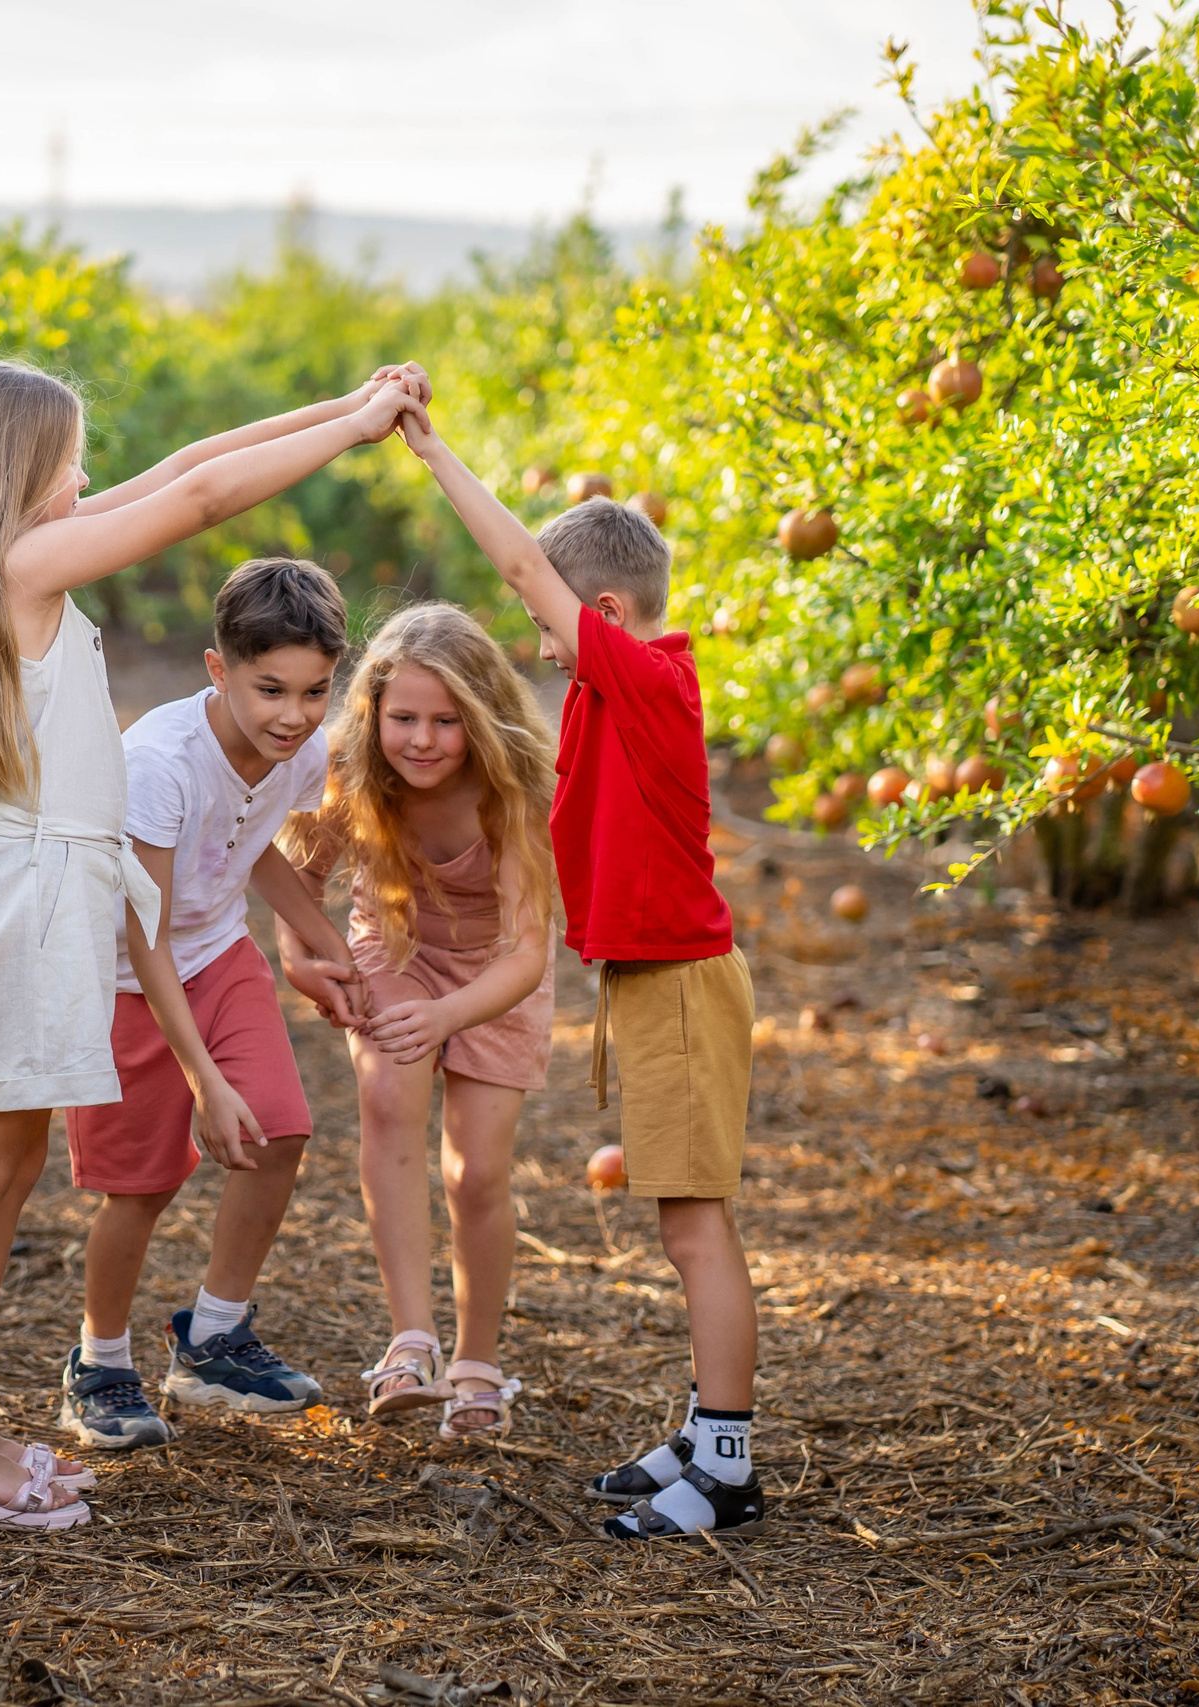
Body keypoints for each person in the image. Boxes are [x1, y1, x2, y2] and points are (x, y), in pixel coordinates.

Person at [0, 359, 430, 1530]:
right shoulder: (19, 567)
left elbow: (184, 469)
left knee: (5, 1164)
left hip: (48, 882)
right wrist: (352, 434)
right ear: (12, 473)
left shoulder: (19, 561)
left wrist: (348, 411)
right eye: (68, 457)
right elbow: (200, 502)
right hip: (27, 882)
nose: (85, 476)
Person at [401, 413, 760, 1538]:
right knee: (678, 1220)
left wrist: (430, 450)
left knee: (697, 1229)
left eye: (547, 625)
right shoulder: (619, 694)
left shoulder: (646, 678)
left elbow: (516, 559)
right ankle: (704, 1439)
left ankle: (730, 1468)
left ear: (598, 615)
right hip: (657, 985)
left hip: (686, 990)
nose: (540, 646)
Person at [56, 557, 365, 1451]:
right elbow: (143, 936)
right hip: (129, 980)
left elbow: (253, 845)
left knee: (280, 1127)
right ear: (217, 668)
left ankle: (214, 1337)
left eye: (315, 692)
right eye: (271, 689)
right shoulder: (157, 764)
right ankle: (99, 1361)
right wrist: (202, 1079)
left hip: (218, 952)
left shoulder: (298, 751)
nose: (295, 715)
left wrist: (319, 934)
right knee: (141, 1188)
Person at [279, 602, 559, 1443]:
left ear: (481, 717)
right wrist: (304, 962)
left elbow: (527, 954)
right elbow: (295, 881)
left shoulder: (511, 790)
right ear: (373, 712)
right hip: (394, 952)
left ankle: (477, 1360)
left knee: (477, 1173)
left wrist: (447, 1015)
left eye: (447, 721)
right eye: (404, 717)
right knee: (390, 1105)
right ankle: (412, 1341)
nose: (423, 739)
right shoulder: (351, 767)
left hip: (491, 977)